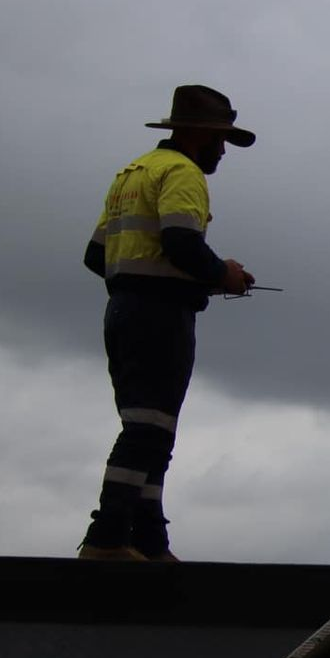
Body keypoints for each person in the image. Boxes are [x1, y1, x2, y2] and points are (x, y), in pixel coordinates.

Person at [77, 84, 256, 561]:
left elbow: (98, 256)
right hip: (159, 318)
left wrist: (162, 278)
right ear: (199, 133)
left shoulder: (133, 173)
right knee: (148, 430)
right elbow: (181, 243)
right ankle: (107, 538)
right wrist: (225, 275)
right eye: (220, 139)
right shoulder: (184, 173)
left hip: (123, 311)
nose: (222, 150)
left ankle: (151, 543)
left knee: (153, 431)